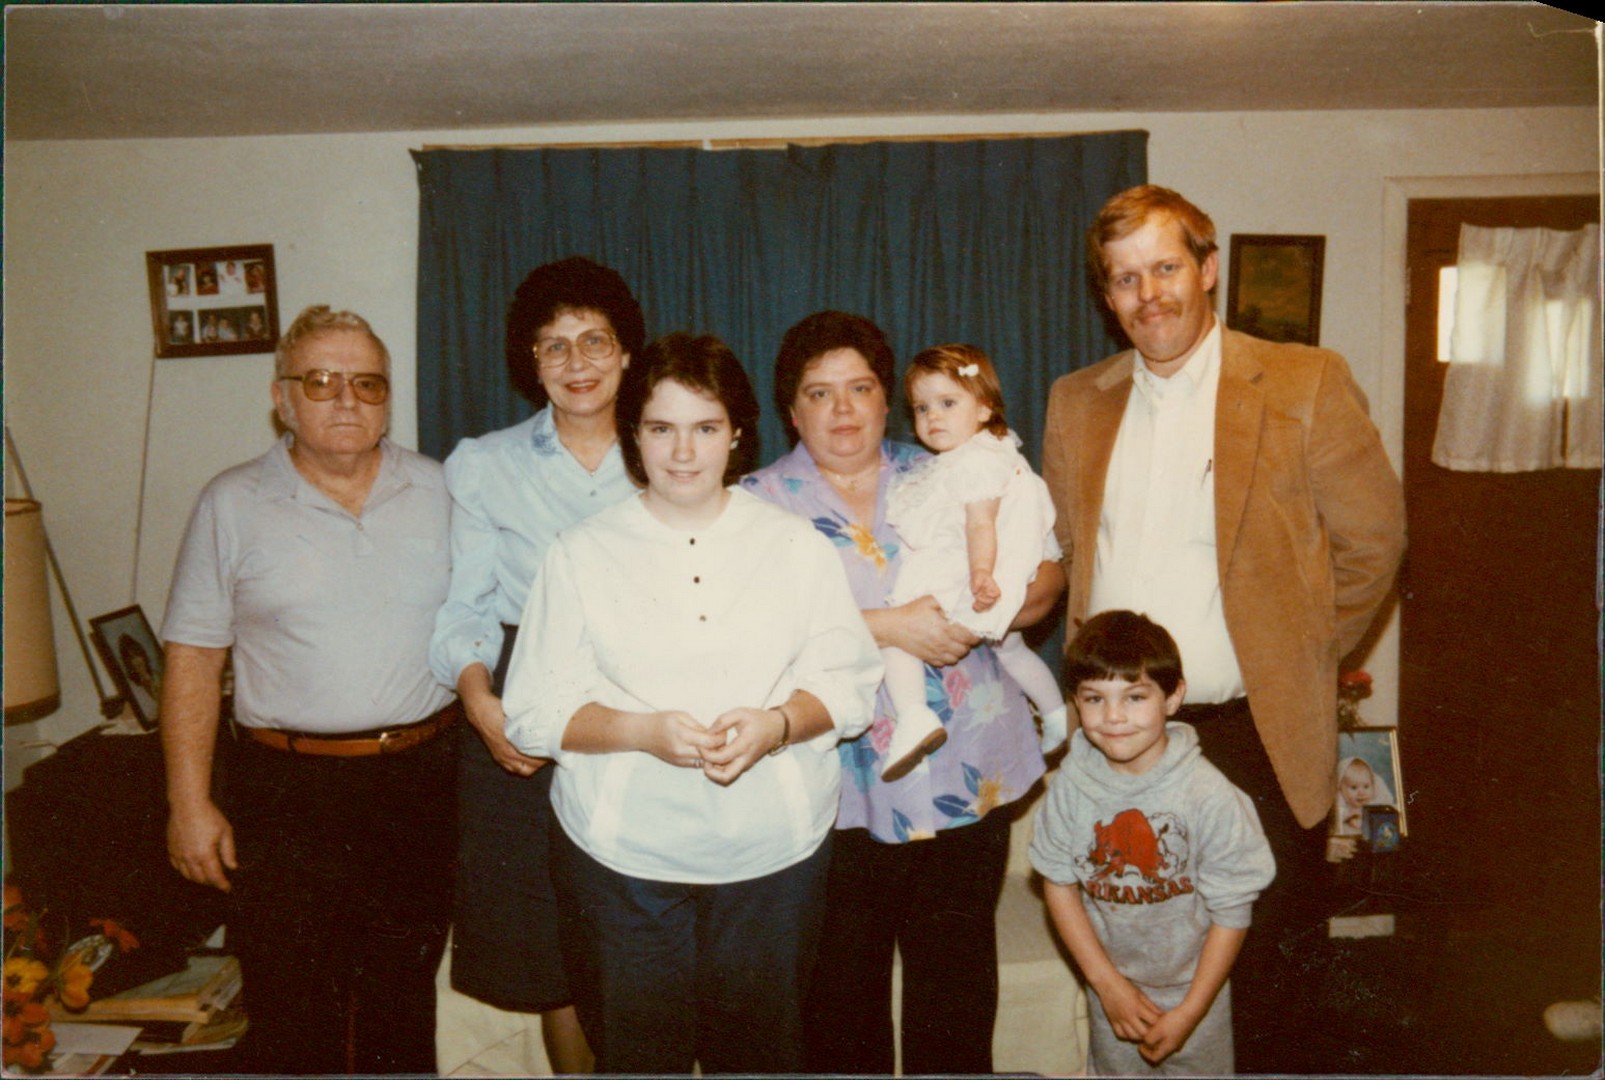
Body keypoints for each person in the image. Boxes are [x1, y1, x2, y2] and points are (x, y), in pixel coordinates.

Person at [1041, 184, 1407, 1072]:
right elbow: (1063, 552)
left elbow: (1373, 543)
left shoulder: (1302, 381)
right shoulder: (1075, 401)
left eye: (1165, 268)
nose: (1148, 294)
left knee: (1274, 974)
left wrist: (1299, 657)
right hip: (1118, 741)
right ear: (1106, 295)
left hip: (1252, 735)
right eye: (1124, 278)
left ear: (1207, 270)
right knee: (1138, 969)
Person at [502, 333, 883, 1074]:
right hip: (623, 862)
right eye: (661, 428)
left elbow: (850, 685)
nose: (683, 452)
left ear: (737, 433)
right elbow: (533, 712)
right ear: (633, 434)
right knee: (639, 1061)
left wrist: (777, 725)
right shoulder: (581, 551)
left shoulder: (794, 545)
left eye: (705, 428)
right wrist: (641, 732)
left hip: (773, 856)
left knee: (761, 1061)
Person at [743, 311, 1065, 1075]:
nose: (842, 409)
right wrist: (889, 626)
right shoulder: (755, 504)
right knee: (839, 996)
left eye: (859, 388)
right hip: (839, 785)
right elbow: (746, 636)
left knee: (955, 988)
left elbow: (1047, 574)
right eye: (819, 393)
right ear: (791, 410)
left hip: (968, 767)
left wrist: (981, 614)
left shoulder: (951, 463)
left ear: (887, 399)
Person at [159, 304, 456, 1075]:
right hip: (285, 793)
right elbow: (192, 659)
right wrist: (189, 804)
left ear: (387, 397)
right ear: (281, 397)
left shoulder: (441, 490)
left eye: (367, 383)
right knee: (292, 1014)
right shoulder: (231, 503)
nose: (347, 399)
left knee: (402, 1009)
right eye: (321, 381)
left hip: (418, 785)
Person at [428, 256, 644, 1073]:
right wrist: (480, 702)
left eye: (595, 340)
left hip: (644, 694)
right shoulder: (484, 464)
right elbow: (467, 607)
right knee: (554, 945)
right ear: (530, 360)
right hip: (523, 686)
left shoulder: (668, 446)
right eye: (554, 345)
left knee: (644, 930)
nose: (576, 361)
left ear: (626, 351)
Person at [1030, 610, 1274, 1076]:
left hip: (1195, 993)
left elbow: (1232, 911)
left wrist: (1191, 1011)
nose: (1113, 717)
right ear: (1076, 702)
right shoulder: (1069, 787)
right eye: (1094, 698)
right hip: (1110, 986)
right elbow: (1058, 885)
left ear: (1173, 696)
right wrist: (1106, 985)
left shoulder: (1210, 795)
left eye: (1136, 696)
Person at [879, 343, 1069, 780]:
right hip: (997, 563)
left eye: (948, 403)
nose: (933, 417)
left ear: (984, 408)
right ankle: (1057, 714)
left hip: (971, 565)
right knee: (1011, 647)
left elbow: (981, 523)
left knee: (898, 633)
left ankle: (913, 716)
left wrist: (981, 573)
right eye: (922, 408)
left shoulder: (975, 462)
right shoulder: (983, 455)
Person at [1333, 756, 1395, 837]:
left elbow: (1387, 807)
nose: (1361, 793)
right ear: (1341, 789)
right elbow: (1334, 819)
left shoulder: (1375, 801)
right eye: (1354, 787)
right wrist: (1349, 815)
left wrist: (1364, 817)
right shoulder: (1340, 803)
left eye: (1366, 786)